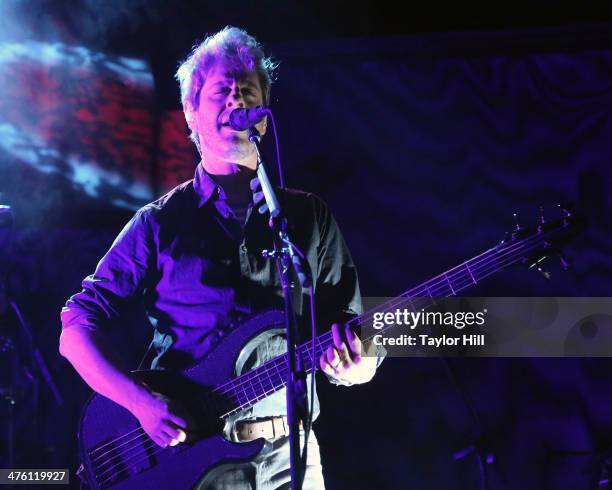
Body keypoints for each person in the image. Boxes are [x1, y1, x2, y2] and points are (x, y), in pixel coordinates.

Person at [59, 26, 379, 489]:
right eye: (222, 90)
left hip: (295, 457)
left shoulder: (309, 217)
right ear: (191, 111)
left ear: (265, 116)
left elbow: (355, 329)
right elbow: (75, 330)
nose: (237, 99)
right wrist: (141, 404)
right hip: (193, 458)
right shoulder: (160, 223)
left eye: (248, 90)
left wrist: (359, 365)